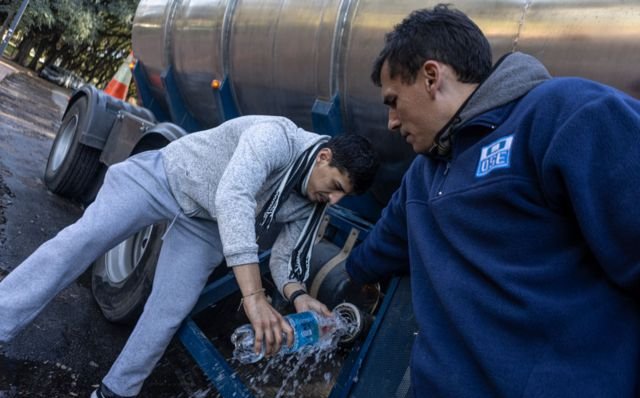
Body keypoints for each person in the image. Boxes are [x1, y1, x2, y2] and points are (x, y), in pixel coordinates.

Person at [346, 4, 640, 397]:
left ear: (431, 77)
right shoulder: (422, 176)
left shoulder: (562, 114)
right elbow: (378, 250)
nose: (391, 122)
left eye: (393, 100)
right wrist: (339, 273)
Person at [0, 115, 379, 398]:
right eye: (335, 187)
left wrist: (300, 296)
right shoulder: (276, 137)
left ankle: (116, 391)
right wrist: (253, 296)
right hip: (168, 176)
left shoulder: (311, 203)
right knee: (78, 243)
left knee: (169, 310)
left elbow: (284, 259)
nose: (333, 200)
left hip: (208, 225)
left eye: (343, 196)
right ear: (323, 157)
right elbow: (234, 196)